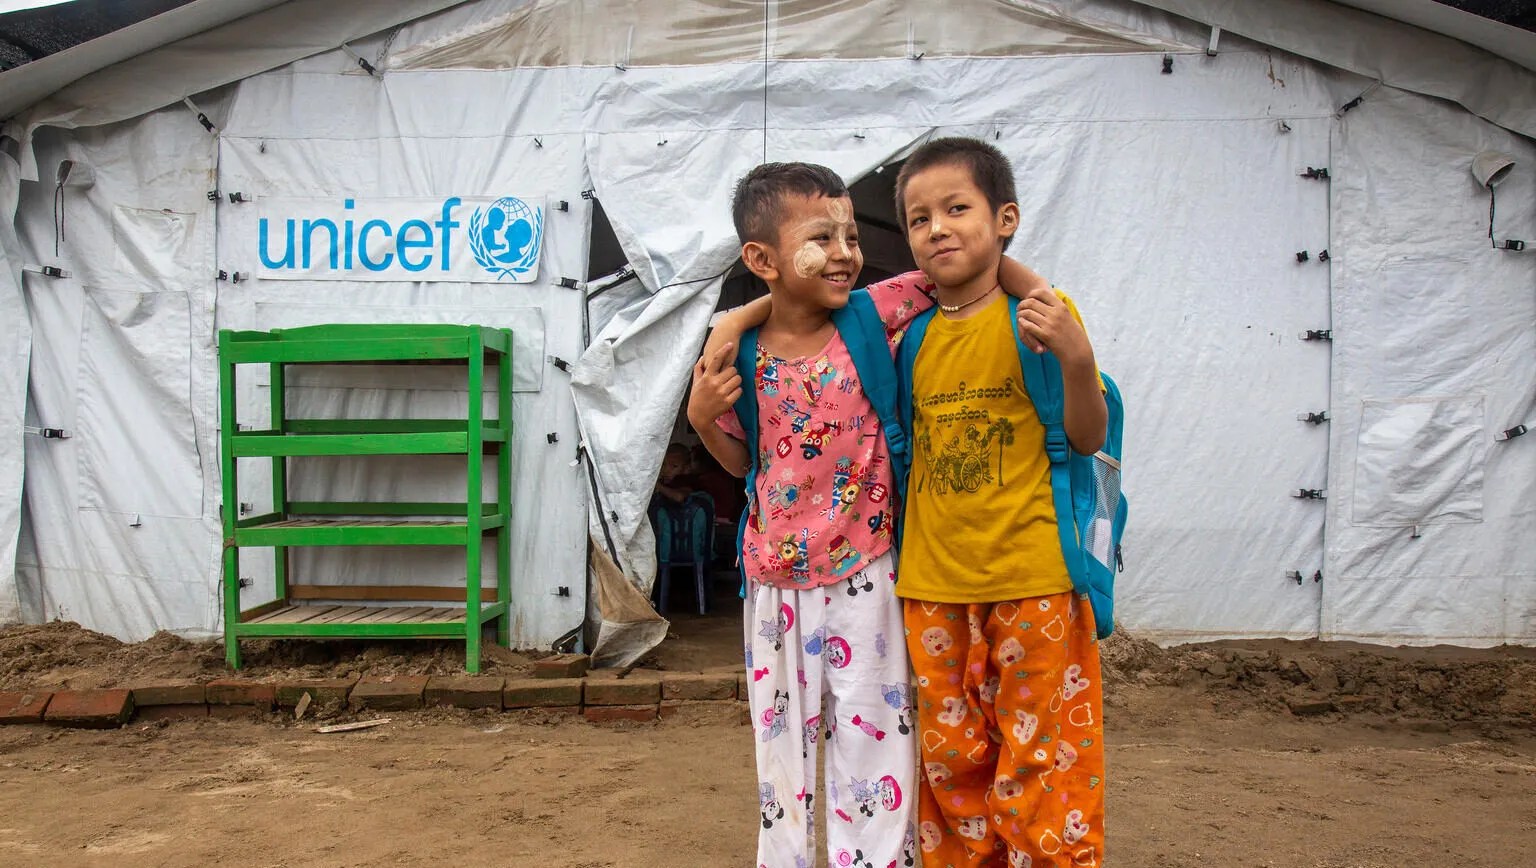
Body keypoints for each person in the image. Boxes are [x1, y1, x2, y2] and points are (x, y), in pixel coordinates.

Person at [689, 161, 1047, 868]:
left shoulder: (872, 314)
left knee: (875, 747)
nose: (848, 251)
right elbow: (742, 465)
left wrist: (1042, 296)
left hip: (866, 578)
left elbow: (977, 264)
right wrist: (704, 417)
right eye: (823, 237)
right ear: (761, 259)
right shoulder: (745, 355)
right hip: (773, 590)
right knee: (780, 759)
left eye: (851, 233)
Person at [883, 137, 1109, 868]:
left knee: (1043, 761)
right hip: (932, 590)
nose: (937, 228)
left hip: (1033, 582)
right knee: (952, 767)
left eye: (957, 208)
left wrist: (1076, 358)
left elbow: (1085, 436)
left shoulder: (1040, 317)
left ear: (1004, 216)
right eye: (919, 219)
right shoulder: (909, 339)